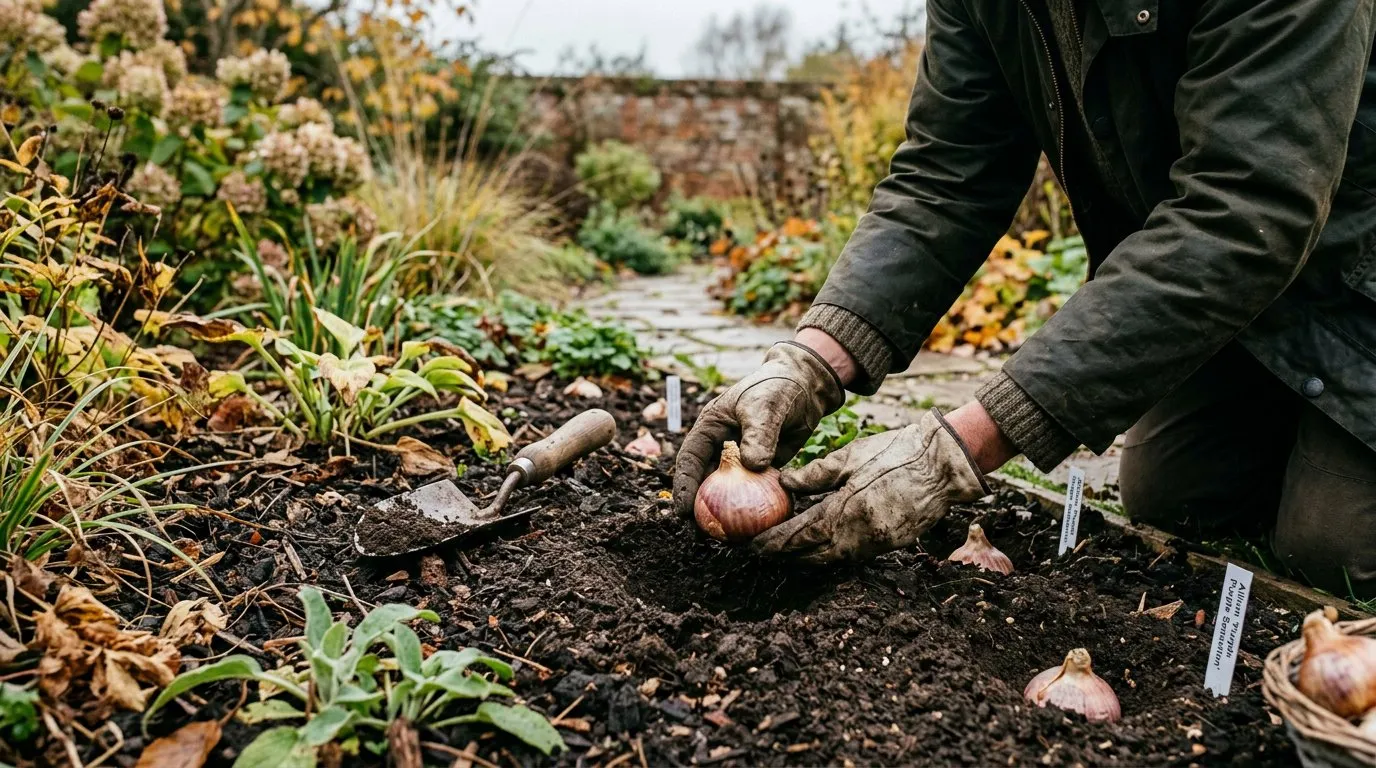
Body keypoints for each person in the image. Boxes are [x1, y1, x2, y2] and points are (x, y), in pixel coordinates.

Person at [673, 0, 1376, 596]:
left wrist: (959, 448)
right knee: (1176, 499)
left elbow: (1243, 207)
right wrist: (811, 360)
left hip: (1354, 272)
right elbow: (945, 177)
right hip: (1244, 283)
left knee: (1332, 549)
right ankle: (1300, 409)